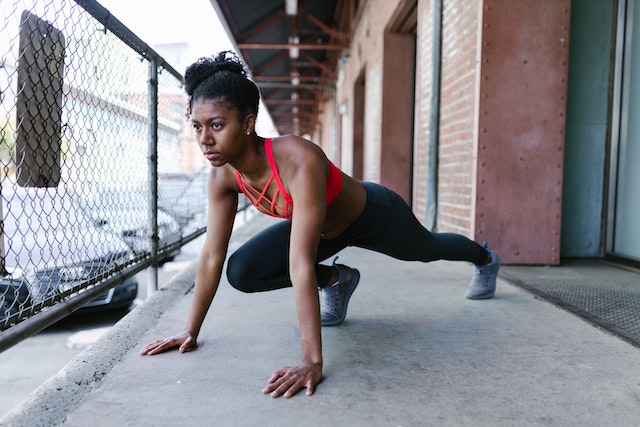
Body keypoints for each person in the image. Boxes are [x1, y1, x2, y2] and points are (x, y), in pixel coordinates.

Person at [140, 51, 501, 398]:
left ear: (248, 122)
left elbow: (299, 263)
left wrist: (311, 362)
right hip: (325, 230)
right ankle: (337, 280)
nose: (205, 139)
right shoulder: (223, 177)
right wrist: (190, 330)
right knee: (243, 271)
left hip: (373, 216)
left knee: (428, 250)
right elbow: (210, 259)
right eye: (198, 127)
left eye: (217, 125)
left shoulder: (298, 159)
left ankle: (484, 259)